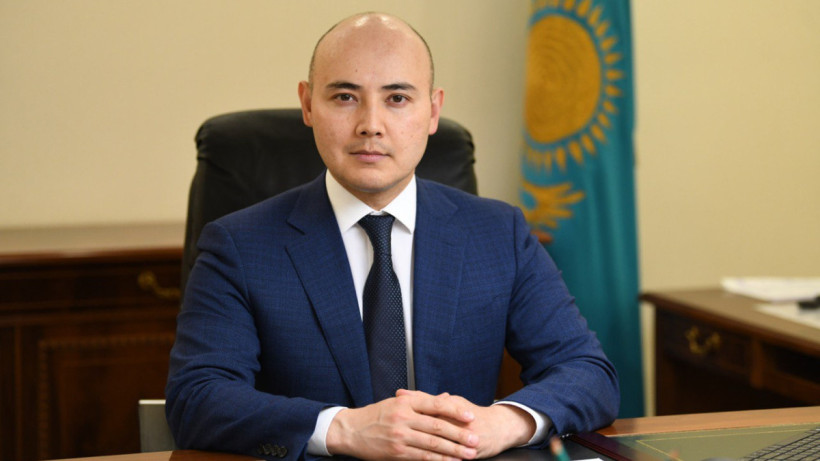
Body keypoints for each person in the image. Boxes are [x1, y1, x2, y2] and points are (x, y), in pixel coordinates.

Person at [165, 12, 619, 461]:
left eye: (397, 98)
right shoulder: (239, 245)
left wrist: (502, 423)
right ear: (307, 105)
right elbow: (197, 398)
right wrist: (343, 429)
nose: (371, 124)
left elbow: (588, 373)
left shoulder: (500, 233)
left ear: (433, 110)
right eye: (345, 97)